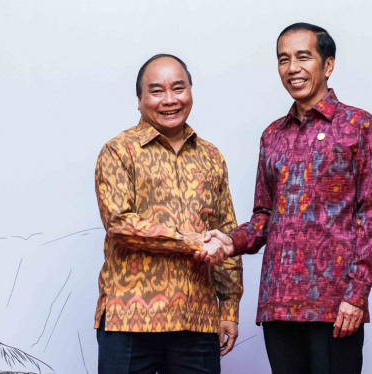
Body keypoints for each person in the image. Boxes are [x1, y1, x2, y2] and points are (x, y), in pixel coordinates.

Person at [203, 23, 372, 374]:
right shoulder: (272, 135)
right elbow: (263, 217)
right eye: (283, 59)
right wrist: (230, 241)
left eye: (304, 57)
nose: (292, 68)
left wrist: (356, 294)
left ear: (328, 65)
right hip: (279, 302)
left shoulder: (359, 125)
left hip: (334, 304)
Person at [94, 54, 243, 374]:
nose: (170, 100)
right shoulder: (118, 151)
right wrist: (192, 241)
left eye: (178, 88)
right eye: (157, 91)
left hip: (198, 319)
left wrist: (229, 308)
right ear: (139, 100)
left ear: (190, 92)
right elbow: (120, 224)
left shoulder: (211, 156)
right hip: (128, 319)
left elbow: (226, 234)